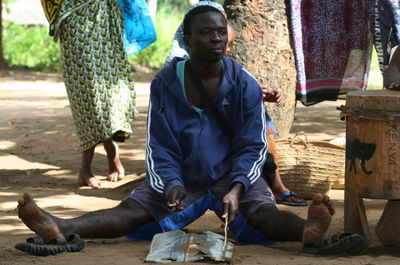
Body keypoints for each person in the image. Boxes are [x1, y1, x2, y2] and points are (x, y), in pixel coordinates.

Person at [17, 5, 352, 255]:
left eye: (221, 31)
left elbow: (253, 146)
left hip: (233, 176)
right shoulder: (165, 83)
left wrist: (237, 187)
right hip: (182, 178)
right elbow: (159, 146)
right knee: (131, 212)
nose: (216, 38)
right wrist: (171, 184)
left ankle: (308, 230)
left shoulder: (244, 84)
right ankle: (60, 227)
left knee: (263, 213)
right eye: (206, 32)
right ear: (187, 39)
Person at [165, 1, 306, 206]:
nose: (219, 40)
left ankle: (273, 185)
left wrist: (256, 93)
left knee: (259, 119)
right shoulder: (177, 65)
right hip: (194, 132)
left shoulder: (220, 60)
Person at [51, 0, 137, 189]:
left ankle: (111, 154)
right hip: (76, 19)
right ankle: (91, 165)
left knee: (116, 94)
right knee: (89, 96)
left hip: (106, 20)